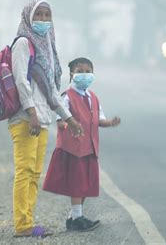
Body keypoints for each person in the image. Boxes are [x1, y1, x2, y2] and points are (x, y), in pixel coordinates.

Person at [8, 0, 83, 238]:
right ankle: (22, 225)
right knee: (25, 170)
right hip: (26, 118)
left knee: (34, 173)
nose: (42, 19)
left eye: (47, 14)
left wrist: (69, 118)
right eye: (38, 14)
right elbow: (20, 80)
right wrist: (31, 113)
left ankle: (28, 222)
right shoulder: (23, 43)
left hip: (41, 118)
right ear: (28, 17)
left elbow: (51, 89)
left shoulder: (46, 46)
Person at [43, 57, 121, 232]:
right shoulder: (67, 96)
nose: (84, 74)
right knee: (77, 183)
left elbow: (99, 119)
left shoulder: (93, 98)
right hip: (73, 148)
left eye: (88, 71)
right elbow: (60, 119)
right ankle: (77, 218)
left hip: (89, 148)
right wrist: (67, 125)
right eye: (80, 71)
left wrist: (110, 123)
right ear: (71, 74)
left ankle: (73, 217)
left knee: (86, 183)